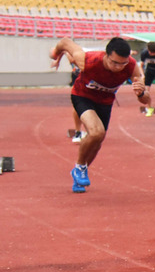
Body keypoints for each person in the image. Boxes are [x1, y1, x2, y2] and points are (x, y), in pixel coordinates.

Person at [50, 37, 149, 193]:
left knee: (97, 141)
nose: (118, 67)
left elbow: (145, 101)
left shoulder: (130, 67)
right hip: (82, 96)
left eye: (122, 63)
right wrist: (56, 54)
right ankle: (80, 167)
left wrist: (142, 92)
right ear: (106, 55)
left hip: (104, 103)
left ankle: (79, 174)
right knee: (97, 132)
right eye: (114, 63)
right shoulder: (88, 60)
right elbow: (65, 42)